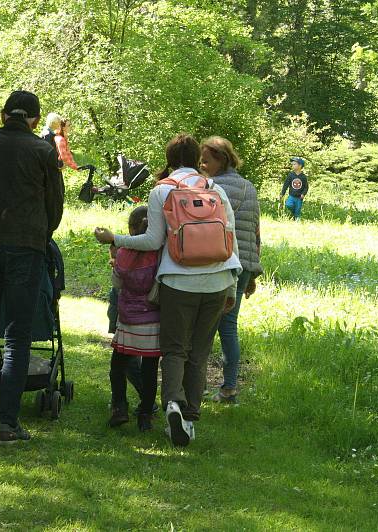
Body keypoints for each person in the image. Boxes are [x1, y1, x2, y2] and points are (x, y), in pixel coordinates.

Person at [94, 133, 241, 447]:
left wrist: (115, 240)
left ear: (170, 159)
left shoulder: (161, 190)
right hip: (216, 281)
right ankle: (189, 417)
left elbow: (152, 241)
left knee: (175, 350)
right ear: (196, 159)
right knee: (199, 354)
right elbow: (231, 240)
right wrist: (231, 285)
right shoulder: (214, 188)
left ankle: (172, 402)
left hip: (177, 281)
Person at [0, 90, 64, 444]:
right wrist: (40, 232)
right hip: (26, 246)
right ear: (34, 119)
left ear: (5, 114)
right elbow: (55, 208)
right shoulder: (43, 151)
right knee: (18, 334)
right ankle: (8, 422)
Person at [200, 136, 262, 404]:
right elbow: (256, 232)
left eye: (207, 159)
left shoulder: (210, 188)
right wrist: (253, 273)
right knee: (229, 326)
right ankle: (229, 388)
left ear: (221, 159)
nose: (202, 164)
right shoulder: (249, 187)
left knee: (203, 326)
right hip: (244, 264)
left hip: (219, 263)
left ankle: (197, 383)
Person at [107, 205, 161, 431]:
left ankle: (119, 406)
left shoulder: (123, 252)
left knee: (117, 366)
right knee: (149, 370)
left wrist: (113, 261)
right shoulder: (159, 253)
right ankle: (146, 414)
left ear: (130, 230)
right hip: (152, 319)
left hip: (128, 319)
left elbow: (117, 284)